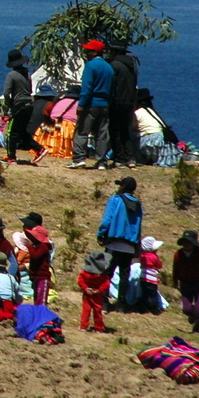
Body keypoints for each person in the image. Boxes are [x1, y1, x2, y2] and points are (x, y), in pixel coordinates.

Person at [98, 175, 143, 308]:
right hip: (129, 244)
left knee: (107, 272)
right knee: (124, 274)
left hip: (114, 241)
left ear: (122, 187)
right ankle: (121, 303)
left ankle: (104, 301)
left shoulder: (115, 200)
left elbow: (107, 219)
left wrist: (101, 234)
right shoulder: (137, 204)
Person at [70, 40, 114, 169]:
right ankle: (101, 161)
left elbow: (87, 88)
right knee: (101, 134)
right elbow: (111, 89)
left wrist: (81, 104)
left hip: (91, 104)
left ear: (95, 52)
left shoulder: (90, 66)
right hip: (105, 104)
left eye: (89, 50)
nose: (86, 53)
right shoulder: (108, 67)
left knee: (82, 131)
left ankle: (79, 158)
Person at [2, 49, 46, 164]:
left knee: (11, 132)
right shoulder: (27, 74)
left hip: (19, 105)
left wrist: (9, 105)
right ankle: (39, 149)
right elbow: (30, 90)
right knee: (22, 131)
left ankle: (11, 156)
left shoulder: (11, 75)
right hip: (29, 105)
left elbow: (7, 93)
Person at [106, 38, 141, 169]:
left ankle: (119, 158)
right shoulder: (132, 66)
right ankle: (130, 158)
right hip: (129, 101)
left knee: (114, 130)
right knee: (125, 131)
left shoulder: (114, 65)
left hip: (116, 101)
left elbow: (112, 84)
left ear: (114, 51)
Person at [21, 212, 54, 306]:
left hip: (42, 277)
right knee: (37, 299)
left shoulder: (43, 246)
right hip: (35, 276)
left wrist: (29, 247)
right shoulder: (36, 245)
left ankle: (42, 317)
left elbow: (35, 256)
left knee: (41, 301)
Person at [77, 250, 113, 332]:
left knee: (86, 310)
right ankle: (99, 327)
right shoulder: (102, 274)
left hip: (87, 293)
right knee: (97, 311)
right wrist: (99, 290)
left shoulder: (84, 272)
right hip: (97, 294)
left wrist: (86, 288)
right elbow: (106, 283)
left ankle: (83, 326)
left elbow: (80, 281)